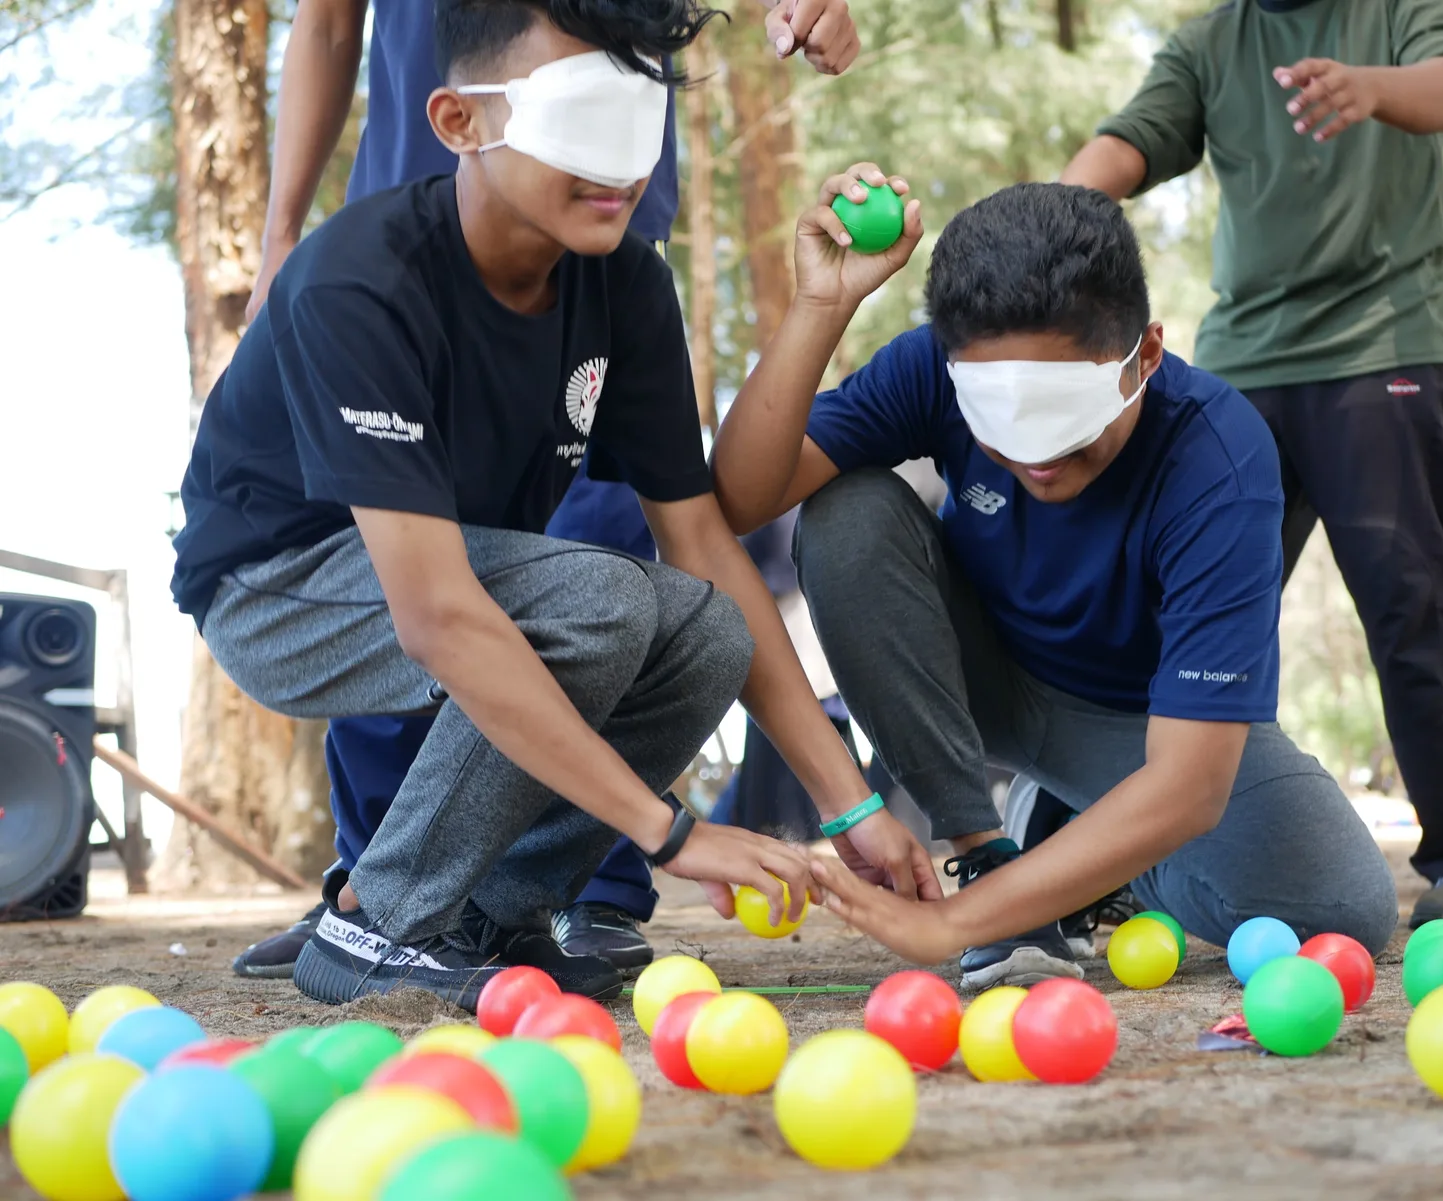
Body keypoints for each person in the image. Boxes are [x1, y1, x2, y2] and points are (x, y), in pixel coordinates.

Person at [174, 0, 938, 1012]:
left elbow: (703, 547)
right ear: (458, 122)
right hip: (279, 588)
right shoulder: (361, 281)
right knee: (602, 602)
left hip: (451, 573)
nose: (617, 163)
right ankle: (377, 918)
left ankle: (499, 914)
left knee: (702, 628)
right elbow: (439, 617)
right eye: (578, 117)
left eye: (637, 115)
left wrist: (852, 807)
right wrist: (670, 831)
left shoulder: (622, 286)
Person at [711, 168, 1398, 987]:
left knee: (1343, 909)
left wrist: (951, 929)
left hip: (1138, 731)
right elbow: (742, 498)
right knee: (847, 512)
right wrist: (820, 308)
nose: (1035, 454)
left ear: (1144, 353)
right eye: (1003, 419)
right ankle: (985, 849)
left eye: (1064, 418)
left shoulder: (1222, 456)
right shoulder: (932, 365)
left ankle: (1072, 838)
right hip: (974, 684)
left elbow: (1186, 785)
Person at [1055, 0, 1443, 928]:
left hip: (1381, 344)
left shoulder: (1401, 11)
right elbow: (1133, 142)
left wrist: (1371, 88)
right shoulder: (1208, 41)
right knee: (1168, 605)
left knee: (1410, 600)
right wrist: (1056, 211)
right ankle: (1091, 862)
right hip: (1244, 360)